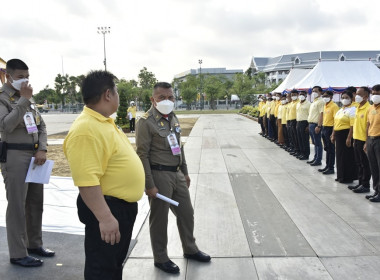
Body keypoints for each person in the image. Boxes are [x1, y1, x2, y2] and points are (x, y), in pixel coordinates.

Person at [63, 70, 145, 279]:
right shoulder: (86, 129)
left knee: (113, 266)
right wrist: (106, 218)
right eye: (116, 91)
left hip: (119, 208)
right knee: (102, 270)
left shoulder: (103, 121)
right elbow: (87, 181)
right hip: (108, 209)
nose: (117, 96)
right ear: (108, 94)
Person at [136, 82, 210, 274]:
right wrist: (149, 184)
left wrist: (184, 172)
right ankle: (160, 258)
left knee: (187, 213)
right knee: (159, 219)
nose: (167, 101)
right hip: (158, 175)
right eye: (162, 97)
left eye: (170, 97)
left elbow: (179, 147)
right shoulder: (145, 122)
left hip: (176, 174)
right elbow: (142, 155)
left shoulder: (173, 118)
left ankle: (190, 249)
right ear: (153, 99)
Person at [0, 59, 53, 267]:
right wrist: (23, 101)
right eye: (20, 76)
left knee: (35, 203)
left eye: (27, 76)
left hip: (34, 156)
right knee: (17, 206)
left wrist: (42, 148)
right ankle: (18, 253)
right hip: (14, 155)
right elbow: (6, 125)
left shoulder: (29, 99)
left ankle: (34, 243)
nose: (25, 80)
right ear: (8, 76)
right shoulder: (4, 98)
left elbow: (42, 126)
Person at [331, 90, 357, 184]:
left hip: (346, 134)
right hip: (338, 134)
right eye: (343, 98)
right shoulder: (340, 110)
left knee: (347, 156)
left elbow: (352, 125)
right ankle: (340, 175)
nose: (344, 100)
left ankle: (348, 177)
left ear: (351, 99)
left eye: (347, 98)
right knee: (339, 156)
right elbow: (335, 123)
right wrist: (333, 134)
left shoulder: (352, 109)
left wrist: (349, 138)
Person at [350, 87, 372, 193]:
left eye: (359, 94)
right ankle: (360, 182)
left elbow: (369, 126)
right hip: (357, 138)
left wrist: (367, 142)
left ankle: (365, 185)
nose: (356, 96)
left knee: (365, 164)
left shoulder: (369, 108)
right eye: (356, 94)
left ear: (366, 96)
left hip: (364, 140)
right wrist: (354, 138)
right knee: (358, 162)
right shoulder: (358, 107)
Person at [365, 84, 380, 202]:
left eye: (377, 93)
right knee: (373, 167)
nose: (375, 96)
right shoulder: (371, 108)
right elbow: (368, 124)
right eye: (373, 93)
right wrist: (366, 141)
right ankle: (376, 190)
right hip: (371, 139)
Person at [320, 91, 339, 175]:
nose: (325, 97)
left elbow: (336, 120)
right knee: (327, 148)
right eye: (323, 96)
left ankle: (331, 167)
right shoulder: (325, 105)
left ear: (331, 97)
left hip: (330, 128)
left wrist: (333, 133)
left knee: (331, 149)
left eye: (327, 96)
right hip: (324, 128)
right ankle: (327, 165)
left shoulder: (334, 106)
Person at [307, 86, 325, 166]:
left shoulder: (321, 101)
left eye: (316, 91)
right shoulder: (313, 101)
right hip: (311, 123)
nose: (314, 92)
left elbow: (321, 114)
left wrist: (319, 126)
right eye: (313, 91)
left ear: (320, 92)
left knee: (318, 143)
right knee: (314, 142)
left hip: (315, 124)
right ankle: (315, 157)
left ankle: (318, 159)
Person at [295, 91, 311, 160]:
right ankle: (301, 153)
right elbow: (297, 114)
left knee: (305, 140)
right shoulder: (298, 104)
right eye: (300, 94)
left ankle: (306, 154)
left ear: (306, 96)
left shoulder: (308, 104)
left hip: (305, 123)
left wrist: (308, 125)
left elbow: (310, 115)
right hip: (298, 122)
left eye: (303, 95)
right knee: (300, 139)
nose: (301, 96)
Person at [288, 90, 300, 155]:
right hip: (291, 120)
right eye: (292, 95)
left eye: (294, 95)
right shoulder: (291, 103)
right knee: (292, 136)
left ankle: (298, 150)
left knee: (296, 137)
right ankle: (295, 149)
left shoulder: (298, 102)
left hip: (296, 120)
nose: (293, 96)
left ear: (297, 95)